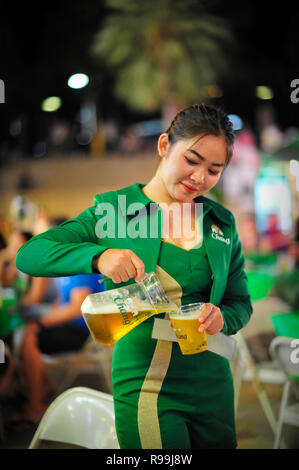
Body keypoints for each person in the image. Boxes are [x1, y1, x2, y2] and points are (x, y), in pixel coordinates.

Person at [16, 104, 253, 449]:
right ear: (163, 146)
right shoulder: (117, 211)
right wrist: (98, 257)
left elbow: (240, 303)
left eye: (214, 170)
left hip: (214, 383)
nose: (200, 177)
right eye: (191, 160)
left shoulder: (220, 222)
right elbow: (30, 254)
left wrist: (222, 317)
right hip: (147, 384)